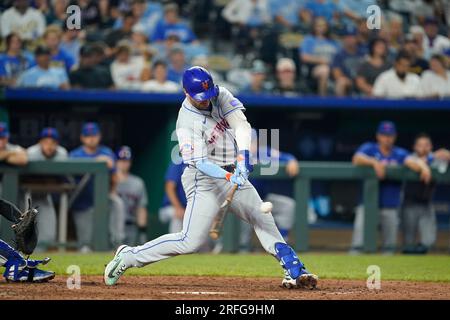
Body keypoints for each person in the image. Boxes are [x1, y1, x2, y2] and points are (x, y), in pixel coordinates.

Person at [104, 66, 318, 289]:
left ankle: (295, 269)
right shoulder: (185, 122)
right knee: (190, 241)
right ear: (186, 92)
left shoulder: (220, 94)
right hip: (202, 179)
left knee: (261, 218)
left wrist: (243, 157)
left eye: (208, 95)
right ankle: (129, 256)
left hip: (232, 169)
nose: (206, 101)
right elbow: (201, 163)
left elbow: (241, 125)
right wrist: (228, 175)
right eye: (200, 98)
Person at [351, 121, 431, 254]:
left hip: (390, 206)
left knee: (389, 248)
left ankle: (386, 275)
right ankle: (352, 273)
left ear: (394, 137)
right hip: (368, 204)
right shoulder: (369, 148)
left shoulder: (399, 153)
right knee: (358, 246)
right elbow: (356, 158)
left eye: (390, 135)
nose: (387, 138)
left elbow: (412, 161)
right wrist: (374, 162)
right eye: (384, 135)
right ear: (378, 136)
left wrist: (423, 167)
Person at [69, 122, 117, 252]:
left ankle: (116, 244)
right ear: (82, 138)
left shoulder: (106, 152)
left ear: (99, 136)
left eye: (94, 135)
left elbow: (114, 175)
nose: (91, 138)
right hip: (81, 203)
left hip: (102, 204)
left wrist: (112, 191)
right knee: (85, 244)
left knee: (117, 204)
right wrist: (95, 161)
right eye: (87, 135)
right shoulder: (75, 155)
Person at [401, 134, 450, 254]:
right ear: (415, 147)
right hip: (409, 203)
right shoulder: (411, 157)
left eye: (427, 145)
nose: (423, 148)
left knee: (428, 240)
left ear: (431, 146)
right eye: (420, 145)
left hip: (426, 204)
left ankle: (420, 257)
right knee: (409, 241)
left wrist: (446, 153)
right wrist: (425, 166)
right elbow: (409, 161)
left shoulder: (436, 160)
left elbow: (444, 161)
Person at [26, 127, 68, 251]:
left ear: (57, 144)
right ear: (40, 143)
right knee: (21, 231)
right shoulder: (31, 152)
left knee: (48, 233)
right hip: (25, 195)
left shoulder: (62, 153)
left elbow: (62, 178)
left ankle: (38, 256)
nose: (49, 146)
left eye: (53, 143)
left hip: (44, 195)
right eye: (46, 142)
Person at [116, 146, 149, 246]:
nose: (124, 164)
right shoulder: (109, 181)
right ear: (116, 161)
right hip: (112, 226)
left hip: (131, 226)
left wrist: (142, 230)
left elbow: (141, 207)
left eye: (127, 161)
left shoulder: (137, 183)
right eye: (121, 160)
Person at [300, 17, 339, 96]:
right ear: (314, 27)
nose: (321, 27)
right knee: (324, 70)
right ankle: (323, 99)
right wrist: (322, 61)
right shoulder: (309, 40)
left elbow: (339, 56)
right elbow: (304, 57)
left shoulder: (333, 41)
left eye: (323, 25)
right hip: (314, 69)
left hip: (333, 68)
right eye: (318, 25)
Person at [331, 27, 365, 96]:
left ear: (357, 38)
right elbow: (337, 75)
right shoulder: (338, 55)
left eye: (352, 37)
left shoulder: (364, 54)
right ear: (343, 39)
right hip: (348, 83)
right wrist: (351, 81)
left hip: (363, 82)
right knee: (341, 82)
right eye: (347, 37)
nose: (350, 40)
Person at [158, 158, 187, 235]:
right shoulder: (179, 163)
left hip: (187, 210)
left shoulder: (199, 165)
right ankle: (173, 246)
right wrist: (178, 207)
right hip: (169, 207)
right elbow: (169, 187)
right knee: (178, 216)